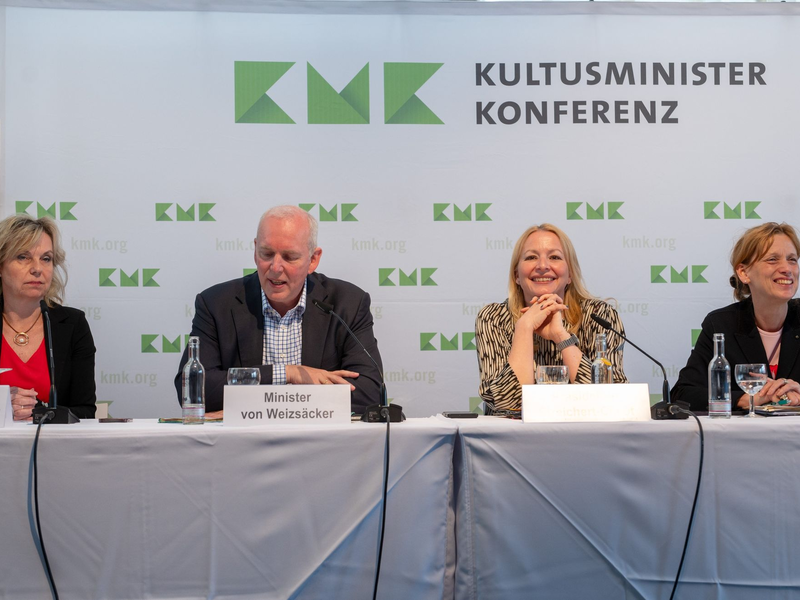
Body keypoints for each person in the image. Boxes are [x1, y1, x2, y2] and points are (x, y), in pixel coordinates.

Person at [174, 205, 383, 414]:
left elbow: (370, 392)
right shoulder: (216, 304)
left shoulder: (348, 303)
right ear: (255, 251)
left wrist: (281, 406)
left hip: (317, 435)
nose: (275, 268)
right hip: (247, 435)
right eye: (266, 254)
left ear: (313, 259)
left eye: (289, 257)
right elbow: (192, 389)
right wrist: (288, 373)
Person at [476, 223, 627, 412]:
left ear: (570, 274)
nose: (542, 266)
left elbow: (608, 399)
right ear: (516, 276)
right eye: (531, 257)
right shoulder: (493, 318)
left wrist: (560, 336)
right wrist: (524, 327)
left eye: (554, 257)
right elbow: (509, 404)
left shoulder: (600, 315)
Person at [672, 222, 800, 412]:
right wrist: (746, 399)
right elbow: (683, 393)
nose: (787, 268)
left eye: (792, 260)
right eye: (773, 259)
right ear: (744, 272)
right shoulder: (721, 324)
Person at [0, 215, 96, 420]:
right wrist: (3, 406)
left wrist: (39, 412)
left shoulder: (73, 324)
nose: (37, 269)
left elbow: (86, 411)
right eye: (23, 257)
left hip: (50, 441)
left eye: (46, 258)